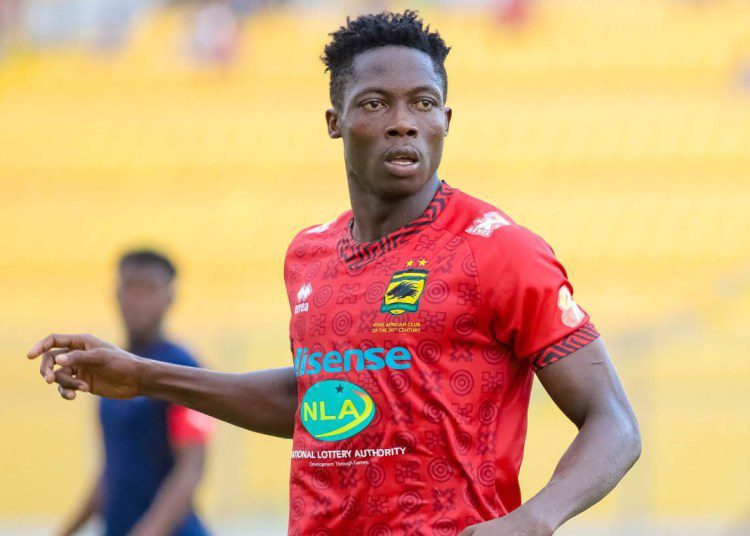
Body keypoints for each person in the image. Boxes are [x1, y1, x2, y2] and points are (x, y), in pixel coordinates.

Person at [29, 11, 641, 535]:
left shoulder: (499, 249)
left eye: (423, 103)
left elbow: (613, 423)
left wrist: (534, 519)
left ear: (446, 120)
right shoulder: (309, 254)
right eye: (375, 103)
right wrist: (143, 375)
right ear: (334, 121)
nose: (403, 121)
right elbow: (314, 399)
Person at [58, 250, 211, 536]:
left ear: (169, 298)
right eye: (130, 286)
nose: (138, 299)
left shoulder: (183, 368)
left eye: (149, 288)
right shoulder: (109, 370)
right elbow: (113, 472)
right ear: (116, 294)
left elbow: (189, 471)